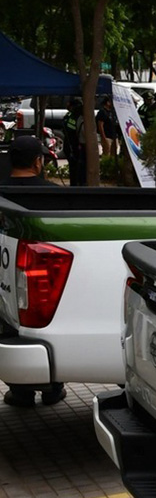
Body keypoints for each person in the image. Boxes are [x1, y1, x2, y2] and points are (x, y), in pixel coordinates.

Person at [2, 136, 65, 405]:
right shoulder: (53, 194)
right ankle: (53, 389)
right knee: (49, 325)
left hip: (5, 277)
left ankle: (21, 391)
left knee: (10, 326)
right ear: (38, 162)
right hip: (44, 277)